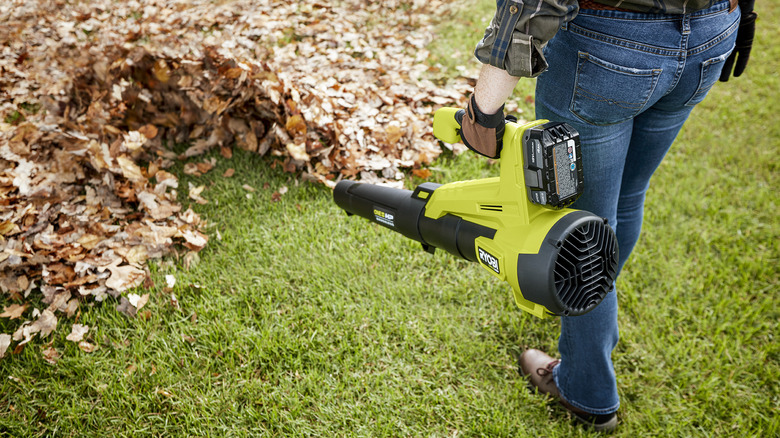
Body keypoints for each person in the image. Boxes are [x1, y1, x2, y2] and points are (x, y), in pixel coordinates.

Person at [457, 0, 756, 431]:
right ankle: (588, 304)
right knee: (627, 197)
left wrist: (482, 109)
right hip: (711, 31)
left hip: (607, 43)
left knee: (584, 224)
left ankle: (586, 390)